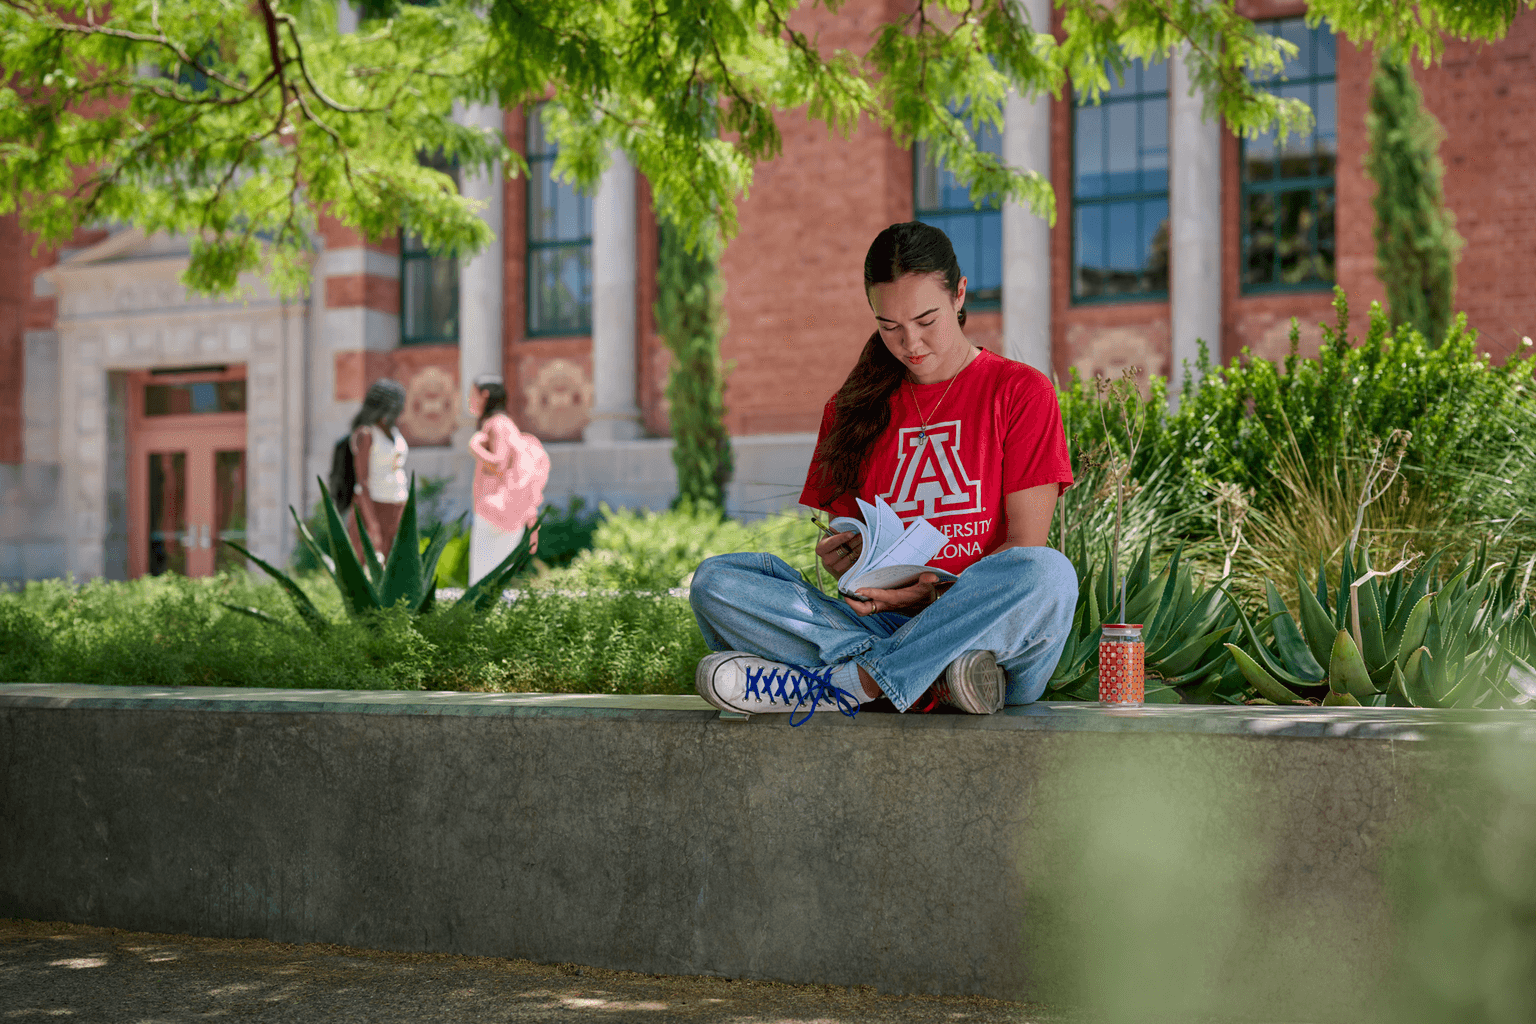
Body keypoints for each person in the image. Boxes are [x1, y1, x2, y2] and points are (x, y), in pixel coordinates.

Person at [689, 221, 1078, 720]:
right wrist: (845, 561)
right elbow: (857, 558)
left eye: (925, 320)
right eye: (888, 326)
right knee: (717, 582)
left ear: (959, 295)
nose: (909, 342)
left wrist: (930, 591)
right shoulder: (851, 409)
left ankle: (852, 684)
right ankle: (931, 681)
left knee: (1048, 574)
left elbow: (1025, 545)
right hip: (886, 629)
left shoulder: (1020, 391)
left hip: (984, 631)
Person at [467, 375, 549, 584]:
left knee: (481, 581)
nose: (469, 400)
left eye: (472, 395)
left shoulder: (497, 424)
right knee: (496, 580)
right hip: (509, 512)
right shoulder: (506, 424)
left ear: (485, 396)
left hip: (493, 511)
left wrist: (474, 447)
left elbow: (498, 464)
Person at [344, 378, 409, 566]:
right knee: (371, 567)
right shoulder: (367, 434)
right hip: (373, 506)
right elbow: (362, 481)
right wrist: (372, 525)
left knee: (395, 566)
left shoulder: (394, 431)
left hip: (397, 503)